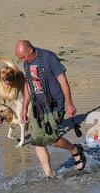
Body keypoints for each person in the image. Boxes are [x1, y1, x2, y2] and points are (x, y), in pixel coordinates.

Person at [15, 40, 86, 177]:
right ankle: (49, 174)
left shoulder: (49, 57)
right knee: (37, 140)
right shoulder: (27, 63)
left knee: (51, 140)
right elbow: (28, 86)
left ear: (30, 49)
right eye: (20, 58)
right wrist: (24, 107)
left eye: (23, 57)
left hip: (55, 104)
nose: (22, 60)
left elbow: (63, 80)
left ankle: (75, 150)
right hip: (38, 106)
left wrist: (69, 103)